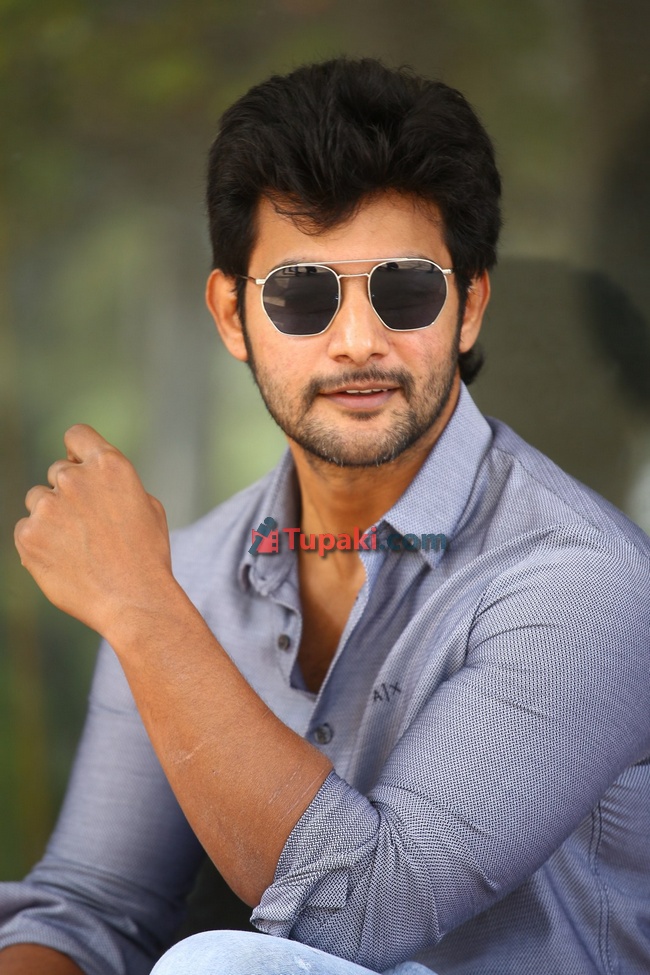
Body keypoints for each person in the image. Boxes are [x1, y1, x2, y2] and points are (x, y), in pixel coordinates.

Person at [1, 57, 649, 975]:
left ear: (469, 307)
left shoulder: (585, 580)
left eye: (406, 290)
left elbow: (370, 911)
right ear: (233, 315)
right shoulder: (188, 573)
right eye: (302, 293)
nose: (356, 341)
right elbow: (91, 910)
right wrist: (151, 598)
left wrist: (140, 607)